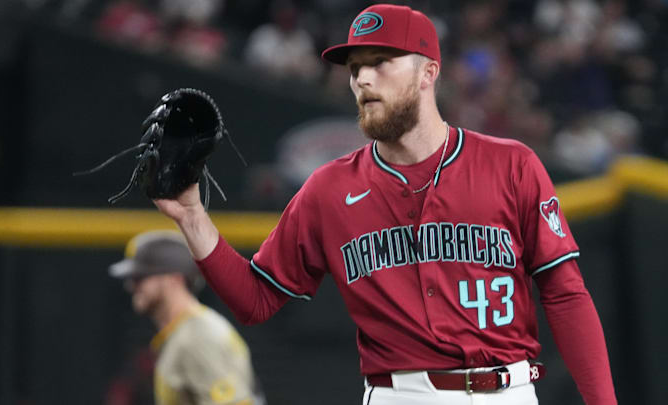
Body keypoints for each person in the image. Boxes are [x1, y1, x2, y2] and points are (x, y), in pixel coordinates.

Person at [154, 4, 617, 405]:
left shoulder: (512, 165)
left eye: (380, 61)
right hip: (402, 393)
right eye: (355, 67)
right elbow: (257, 299)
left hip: (511, 389)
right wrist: (192, 216)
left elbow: (565, 293)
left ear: (428, 72)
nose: (363, 79)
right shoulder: (328, 190)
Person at [109, 230, 264, 405]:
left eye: (140, 278)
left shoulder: (198, 337)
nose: (131, 286)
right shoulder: (182, 334)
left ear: (173, 279)